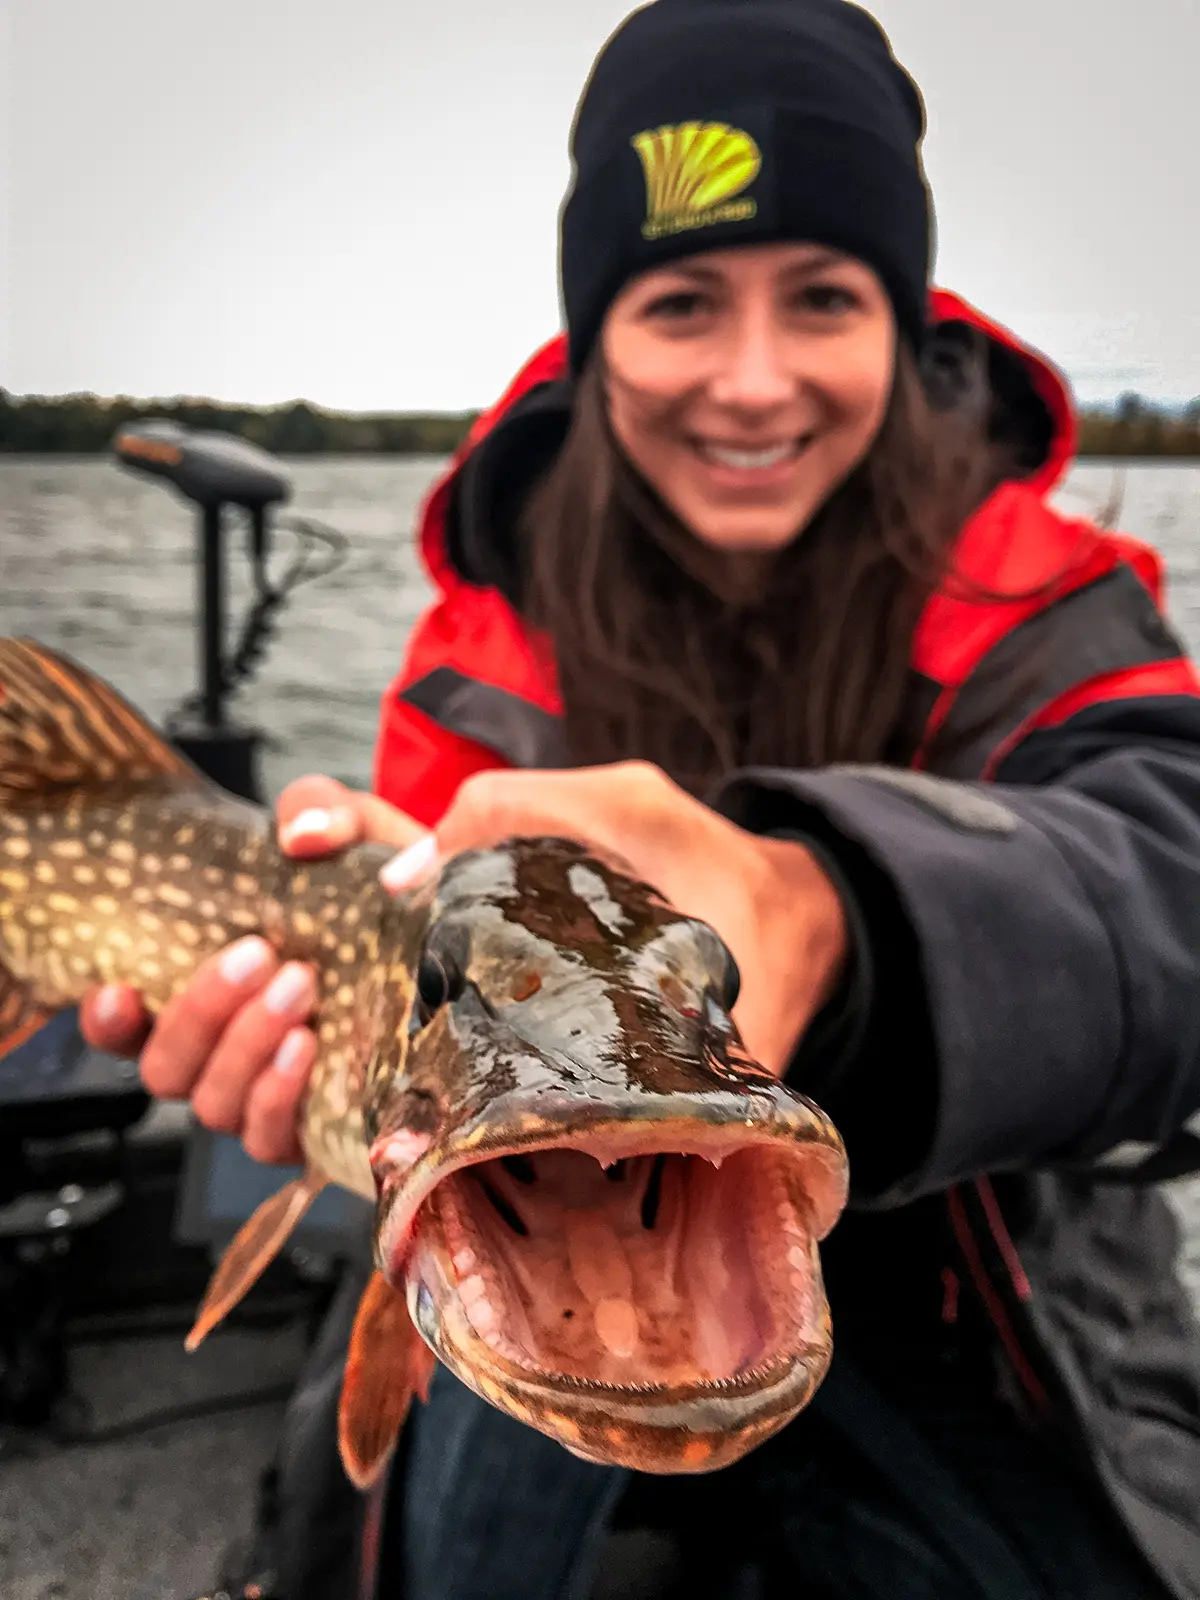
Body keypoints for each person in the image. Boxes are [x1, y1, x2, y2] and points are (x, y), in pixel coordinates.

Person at [82, 1, 1200, 1596]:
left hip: (973, 1266)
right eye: (682, 302)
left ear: (904, 313)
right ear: (599, 329)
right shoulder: (489, 647)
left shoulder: (1051, 599)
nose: (752, 383)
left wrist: (841, 920)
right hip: (549, 1216)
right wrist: (318, 1086)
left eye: (821, 296)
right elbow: (420, 983)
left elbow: (1177, 881)